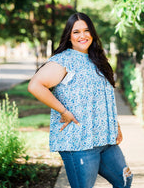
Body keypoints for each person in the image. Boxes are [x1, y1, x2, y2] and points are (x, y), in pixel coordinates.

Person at [28, 12, 133, 188]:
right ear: (69, 36)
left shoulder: (98, 60)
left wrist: (116, 126)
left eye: (86, 30)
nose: (82, 35)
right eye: (76, 32)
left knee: (124, 179)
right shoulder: (63, 61)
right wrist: (64, 111)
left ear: (92, 33)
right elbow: (35, 86)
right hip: (78, 142)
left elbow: (104, 97)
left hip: (105, 139)